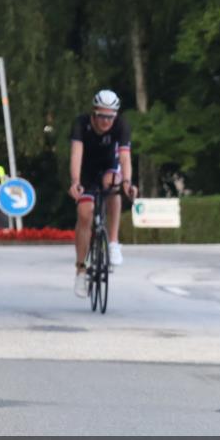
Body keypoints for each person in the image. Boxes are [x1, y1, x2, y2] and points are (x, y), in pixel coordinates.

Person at [67, 90, 137, 297]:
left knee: (114, 186)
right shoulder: (81, 124)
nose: (106, 121)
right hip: (86, 170)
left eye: (110, 116)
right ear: (94, 113)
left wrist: (127, 181)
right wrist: (75, 182)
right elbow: (76, 154)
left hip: (108, 166)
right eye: (101, 116)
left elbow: (125, 157)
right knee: (84, 214)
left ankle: (113, 242)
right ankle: (81, 271)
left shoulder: (121, 125)